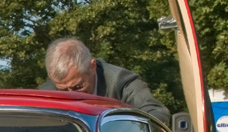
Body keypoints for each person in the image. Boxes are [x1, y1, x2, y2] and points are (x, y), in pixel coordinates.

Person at [41, 37, 171, 126]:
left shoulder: (121, 82)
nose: (70, 95)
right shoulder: (46, 94)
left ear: (92, 67)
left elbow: (156, 113)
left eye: (78, 87)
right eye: (63, 90)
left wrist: (122, 131)